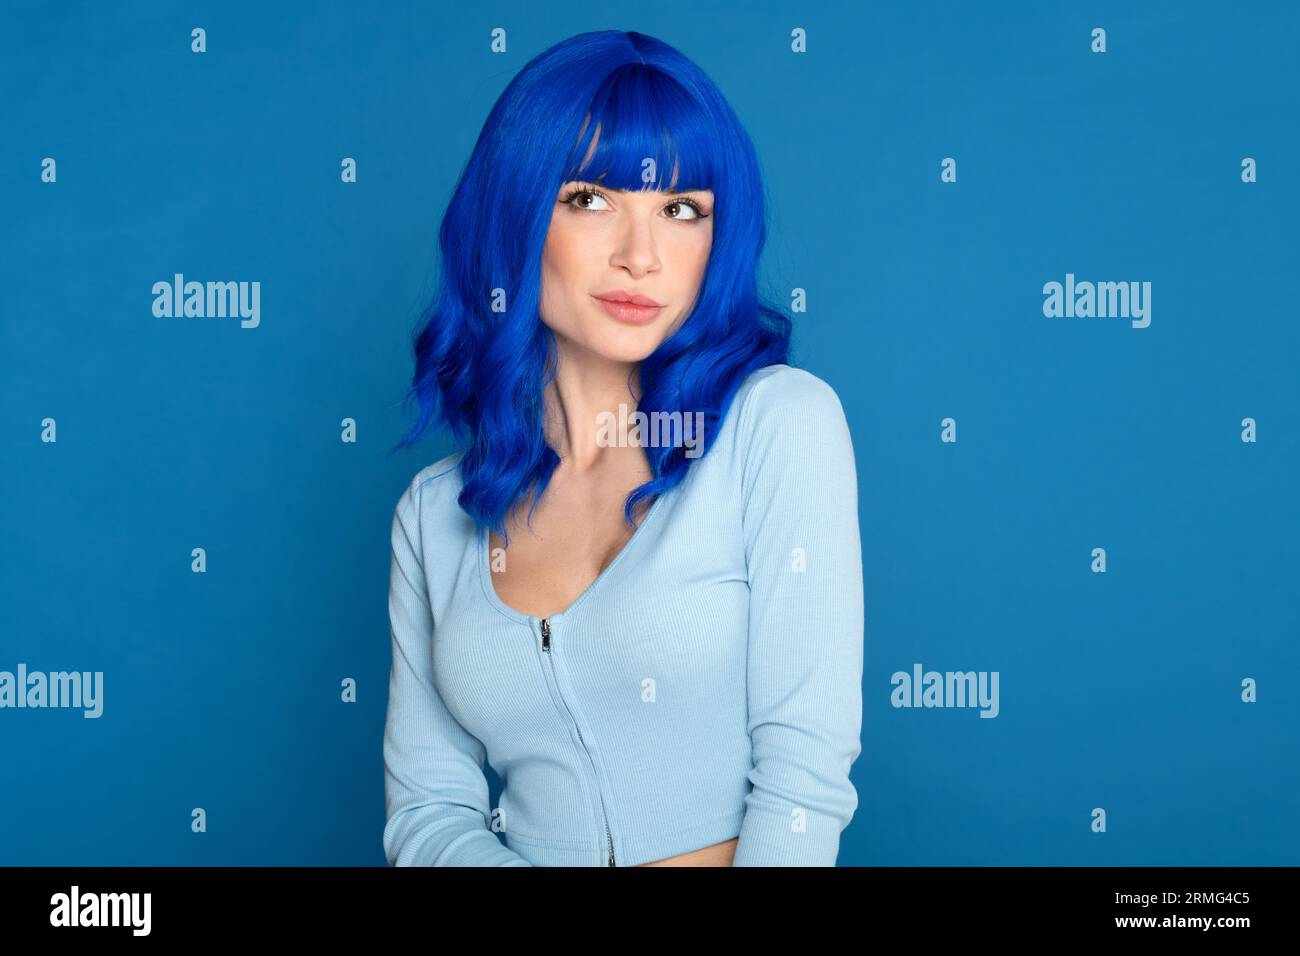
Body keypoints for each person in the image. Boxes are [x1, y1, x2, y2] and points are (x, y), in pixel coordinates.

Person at [384, 29, 863, 867]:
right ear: (516, 215)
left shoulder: (776, 426)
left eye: (682, 211)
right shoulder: (433, 516)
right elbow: (427, 812)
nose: (642, 257)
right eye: (591, 198)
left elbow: (805, 771)